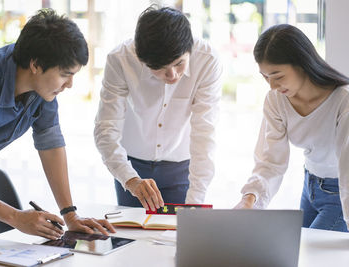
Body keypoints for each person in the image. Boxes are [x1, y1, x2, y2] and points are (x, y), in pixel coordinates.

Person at [0, 9, 115, 248]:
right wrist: (16, 217)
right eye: (65, 75)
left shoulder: (42, 90)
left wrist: (70, 215)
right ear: (35, 65)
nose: (69, 85)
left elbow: (51, 145)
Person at [94, 6, 222, 211]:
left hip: (181, 167)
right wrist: (130, 179)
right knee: (127, 239)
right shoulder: (120, 59)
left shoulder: (207, 60)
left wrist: (195, 204)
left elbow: (204, 133)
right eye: (160, 69)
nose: (172, 75)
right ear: (141, 58)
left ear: (190, 48)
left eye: (179, 64)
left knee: (178, 238)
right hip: (131, 165)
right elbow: (106, 129)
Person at [234, 24, 349, 232]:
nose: (272, 86)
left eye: (278, 76)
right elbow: (271, 161)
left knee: (313, 258)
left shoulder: (343, 101)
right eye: (265, 77)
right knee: (299, 253)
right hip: (310, 186)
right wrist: (249, 199)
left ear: (302, 64)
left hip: (340, 193)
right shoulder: (276, 101)